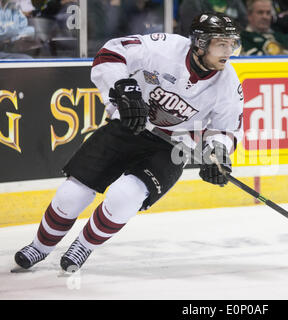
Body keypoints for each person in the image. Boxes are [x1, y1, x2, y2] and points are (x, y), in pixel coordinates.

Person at [13, 12, 244, 272]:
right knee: (72, 194)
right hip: (130, 127)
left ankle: (84, 245)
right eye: (221, 44)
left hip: (171, 148)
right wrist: (123, 86)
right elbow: (111, 53)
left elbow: (225, 129)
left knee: (124, 197)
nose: (229, 51)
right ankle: (40, 247)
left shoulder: (228, 84)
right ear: (200, 44)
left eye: (232, 44)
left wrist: (217, 156)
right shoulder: (164, 48)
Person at [177, 0, 248, 37]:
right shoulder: (192, 2)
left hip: (230, 43)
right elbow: (191, 28)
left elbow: (243, 21)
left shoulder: (234, 1)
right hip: (202, 46)